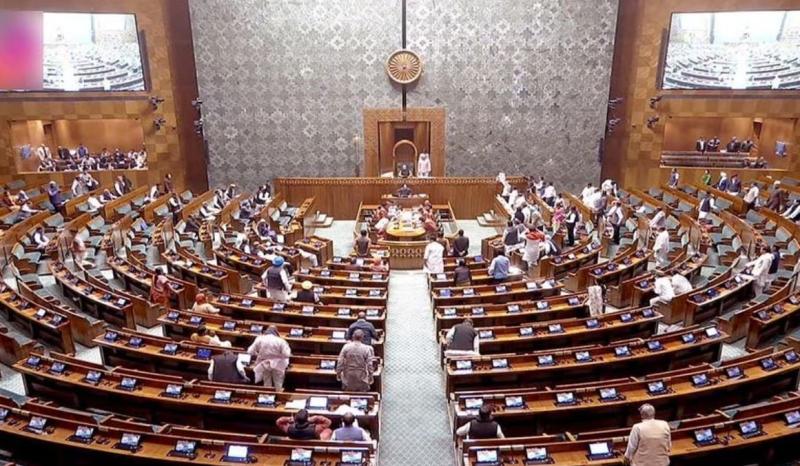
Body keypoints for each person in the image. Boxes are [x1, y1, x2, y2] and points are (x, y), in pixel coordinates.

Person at [247, 325, 291, 390]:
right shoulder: (281, 341)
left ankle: (267, 395)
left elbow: (250, 351)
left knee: (267, 383)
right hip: (278, 365)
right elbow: (287, 354)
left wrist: (258, 354)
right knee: (278, 384)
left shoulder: (259, 339)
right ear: (276, 332)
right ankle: (278, 394)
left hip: (264, 363)